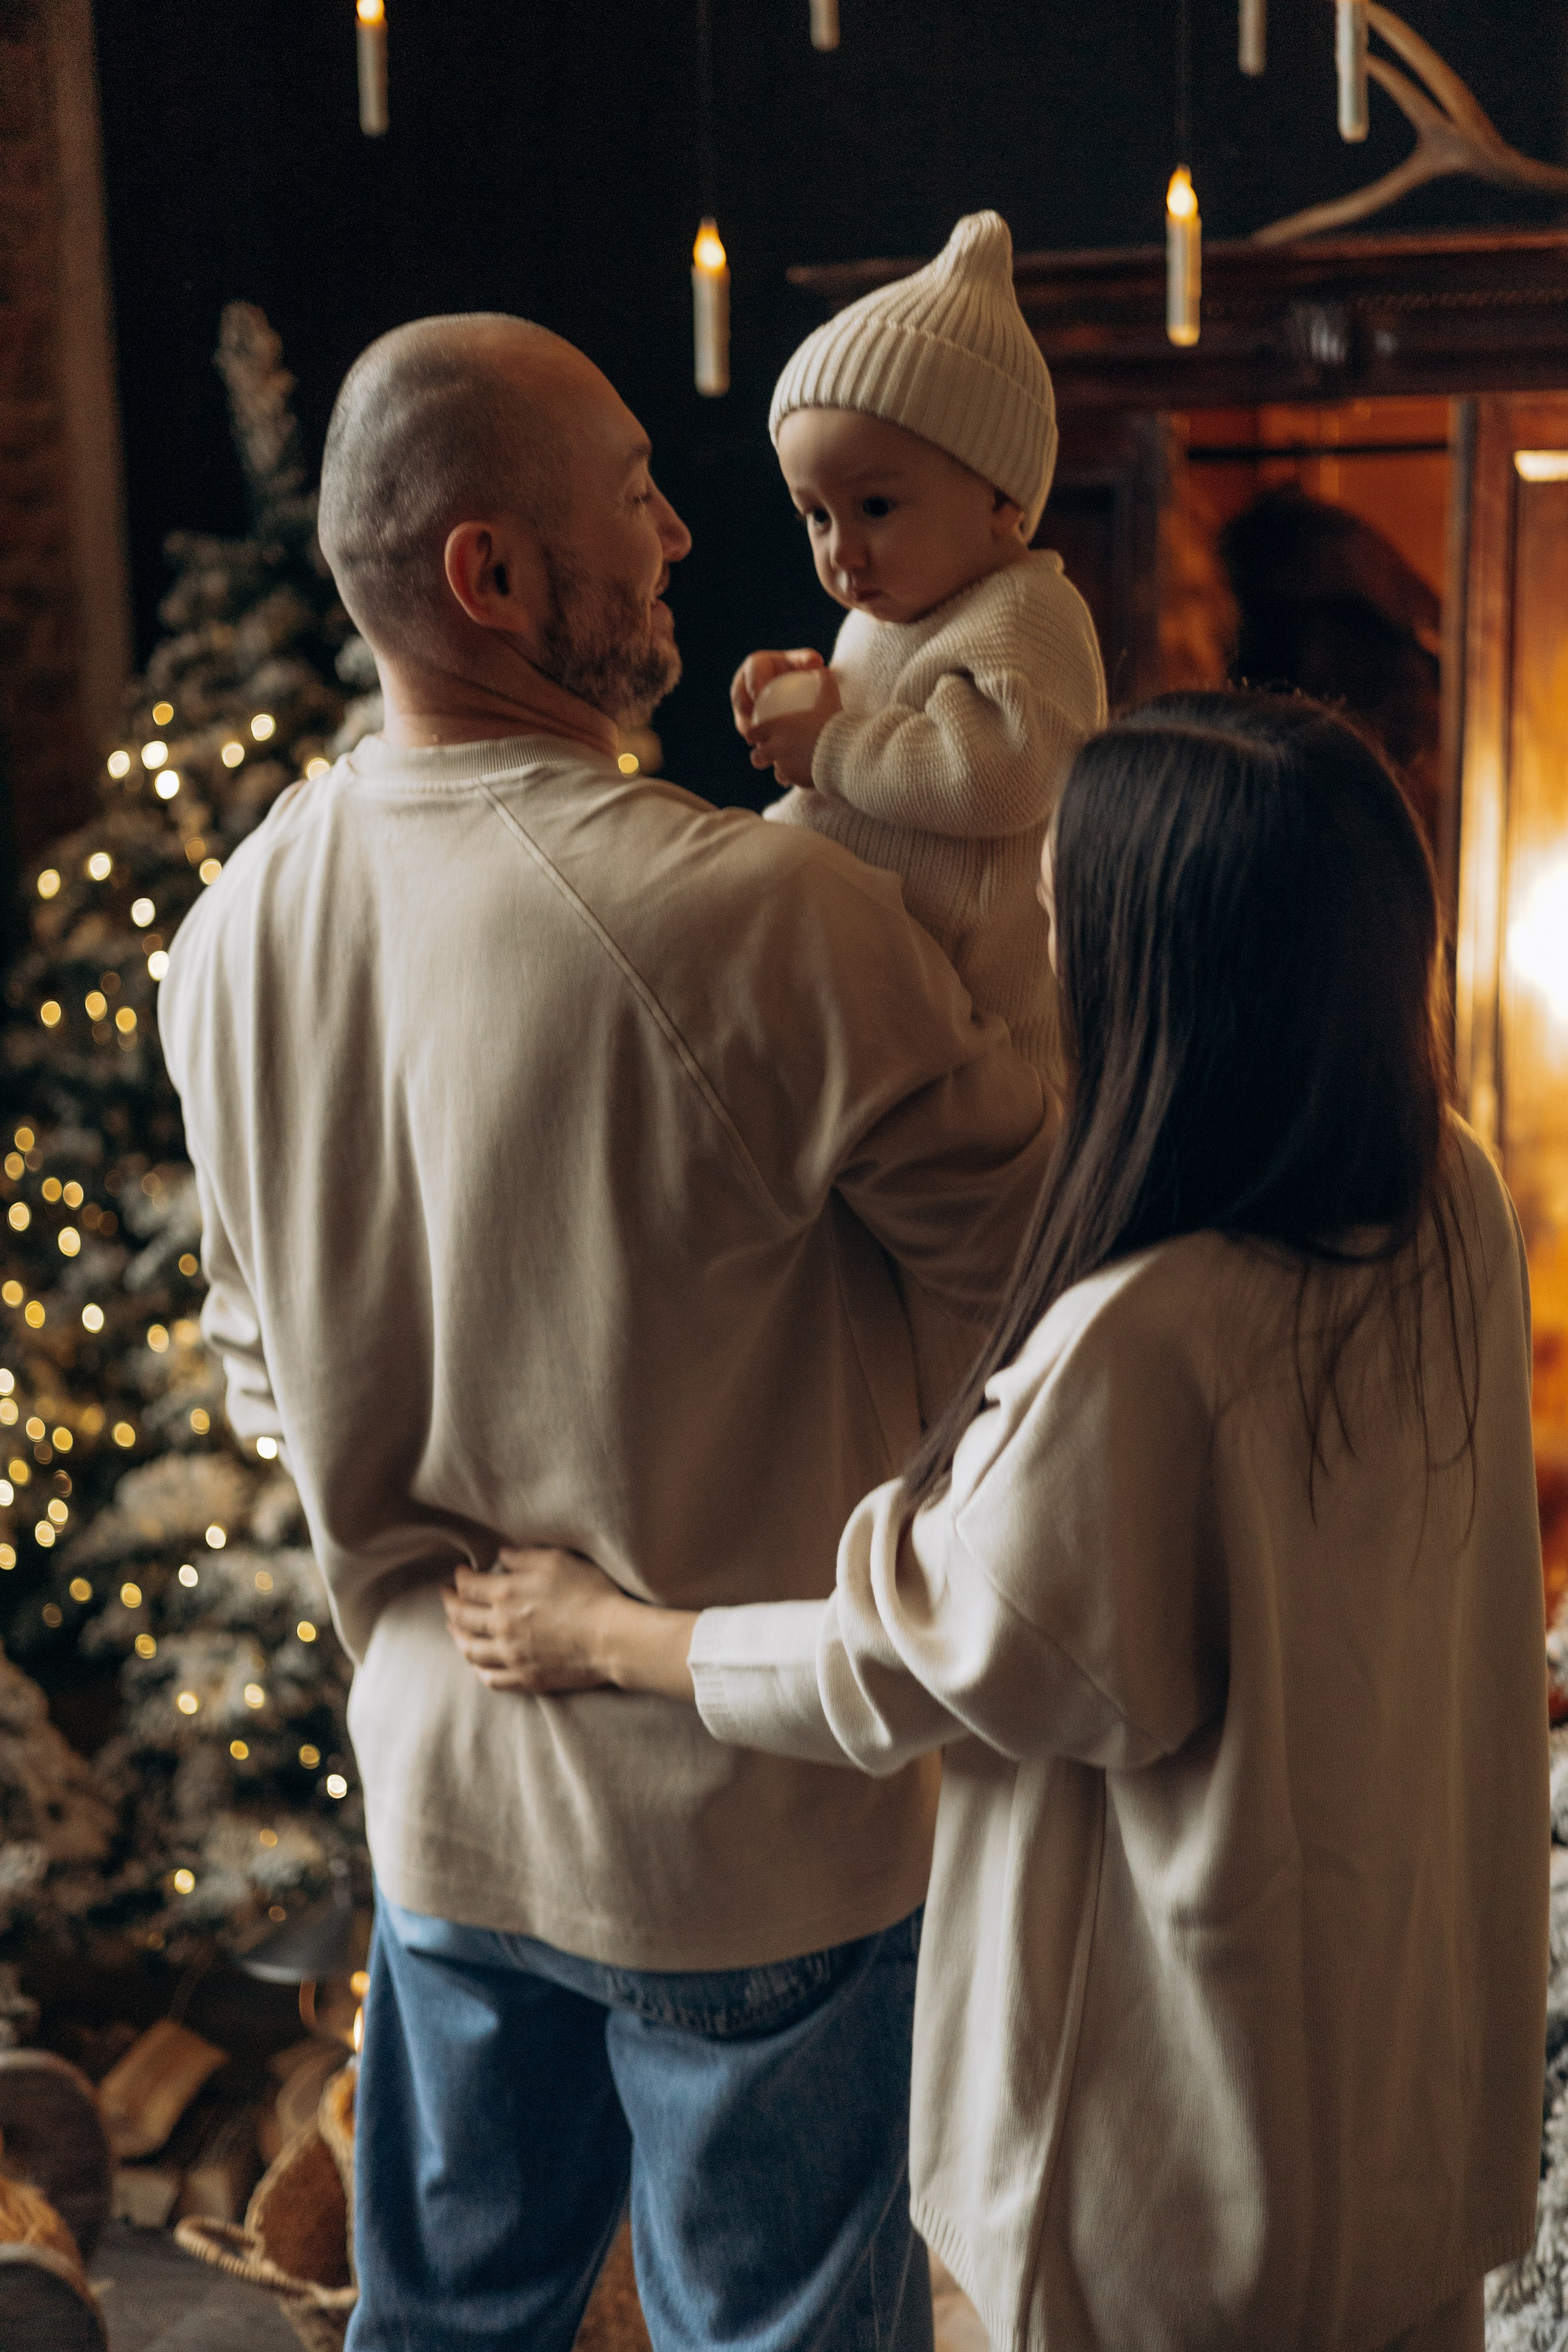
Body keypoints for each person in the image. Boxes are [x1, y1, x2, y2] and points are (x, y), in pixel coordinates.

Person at [157, 311, 1055, 2352]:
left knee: (448, 2333)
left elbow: (257, 1379)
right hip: (753, 1853)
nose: (676, 529)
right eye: (630, 493)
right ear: (488, 575)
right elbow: (1042, 1293)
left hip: (444, 1820)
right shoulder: (753, 920)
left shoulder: (234, 927)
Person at [449, 694, 1550, 2352]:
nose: (1032, 974)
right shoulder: (1452, 1199)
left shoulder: (1150, 1338)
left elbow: (910, 1663)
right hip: (1407, 2090)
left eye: (1055, 935)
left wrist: (608, 1633)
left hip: (1189, 2154)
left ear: (1158, 982)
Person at [732, 210, 1106, 1087]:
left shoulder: (1026, 612)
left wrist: (831, 743)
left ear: (1001, 502)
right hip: (874, 990)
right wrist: (798, 687)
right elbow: (879, 716)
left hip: (984, 1038)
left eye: (875, 509)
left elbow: (1005, 776)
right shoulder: (886, 610)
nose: (841, 552)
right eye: (815, 516)